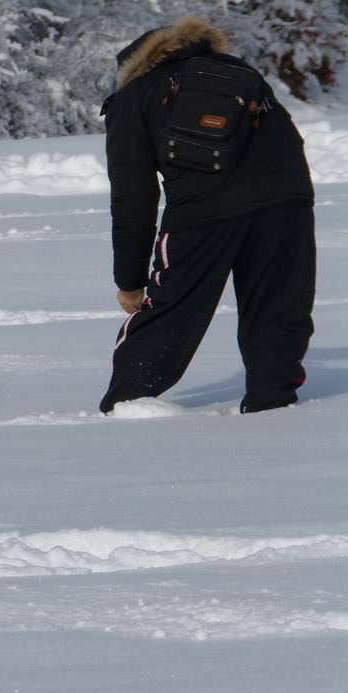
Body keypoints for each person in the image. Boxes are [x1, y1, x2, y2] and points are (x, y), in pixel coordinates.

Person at [98, 16, 316, 414]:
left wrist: (130, 282)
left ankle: (126, 404)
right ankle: (274, 403)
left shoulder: (132, 98)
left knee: (173, 309)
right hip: (287, 198)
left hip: (202, 211)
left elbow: (133, 198)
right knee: (277, 304)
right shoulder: (240, 71)